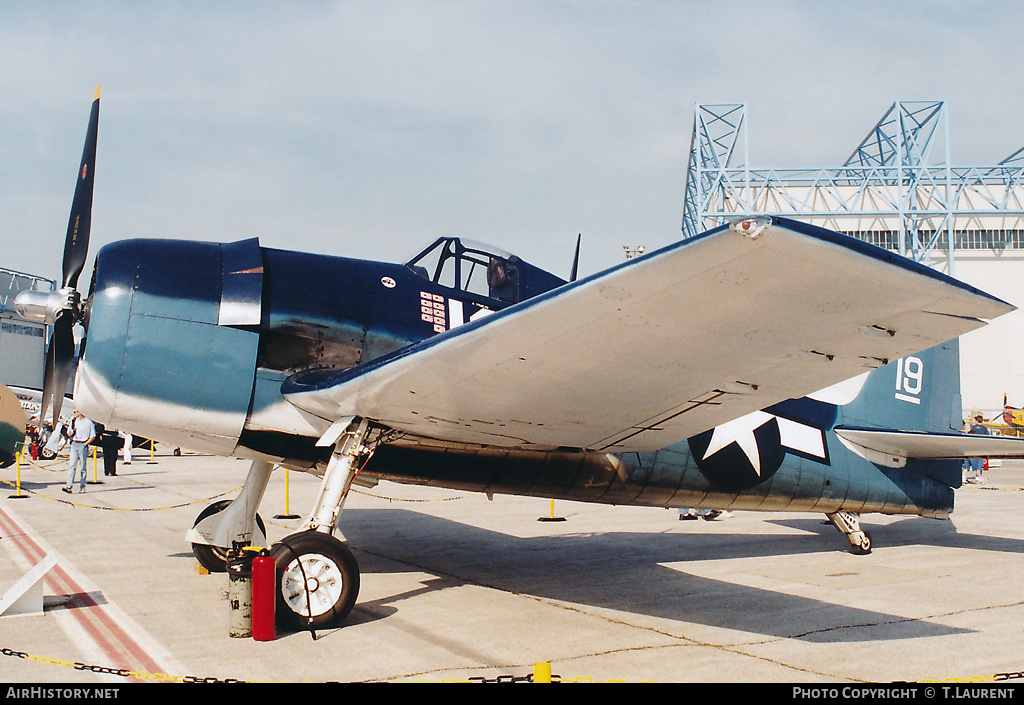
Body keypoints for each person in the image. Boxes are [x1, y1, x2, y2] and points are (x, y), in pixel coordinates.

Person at [62, 410, 96, 494]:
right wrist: (72, 432)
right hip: (74, 443)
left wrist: (85, 444)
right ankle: (69, 486)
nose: (74, 413)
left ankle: (82, 486)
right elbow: (69, 433)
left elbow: (93, 436)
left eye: (75, 412)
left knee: (83, 467)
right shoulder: (73, 421)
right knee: (72, 466)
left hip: (82, 444)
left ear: (80, 412)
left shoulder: (89, 422)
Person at [964, 412, 991, 484]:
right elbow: (988, 437)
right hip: (980, 447)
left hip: (971, 446)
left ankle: (964, 477)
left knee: (967, 463)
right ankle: (979, 476)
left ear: (976, 421)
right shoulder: (984, 428)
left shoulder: (973, 427)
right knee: (979, 463)